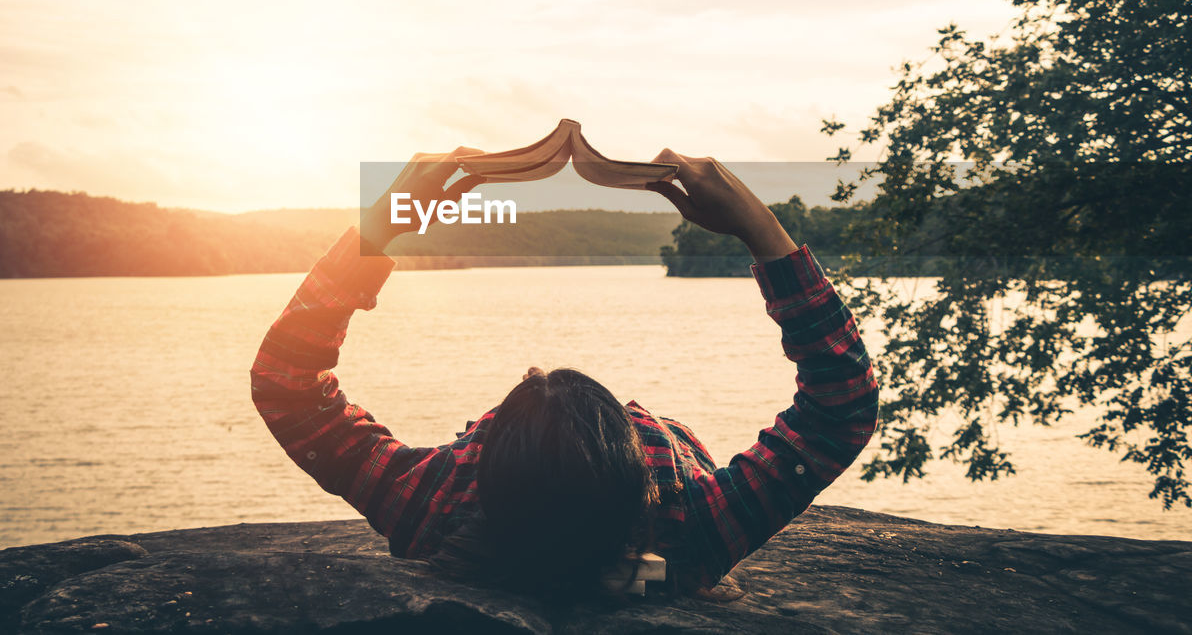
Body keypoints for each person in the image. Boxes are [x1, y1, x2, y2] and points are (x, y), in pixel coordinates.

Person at [250, 148, 879, 596]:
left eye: (500, 422)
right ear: (647, 457)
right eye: (622, 418)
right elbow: (841, 404)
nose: (534, 371)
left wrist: (378, 227)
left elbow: (288, 387)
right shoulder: (690, 533)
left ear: (476, 465)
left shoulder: (438, 514)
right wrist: (760, 228)